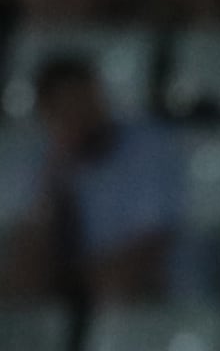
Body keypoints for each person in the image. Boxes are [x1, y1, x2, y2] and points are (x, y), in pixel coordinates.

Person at [0, 53, 189, 305]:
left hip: (138, 282)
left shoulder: (147, 148)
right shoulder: (35, 159)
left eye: (87, 101)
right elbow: (27, 246)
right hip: (66, 283)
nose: (83, 115)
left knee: (121, 282)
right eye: (68, 107)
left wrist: (83, 283)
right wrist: (54, 176)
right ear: (47, 112)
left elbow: (153, 240)